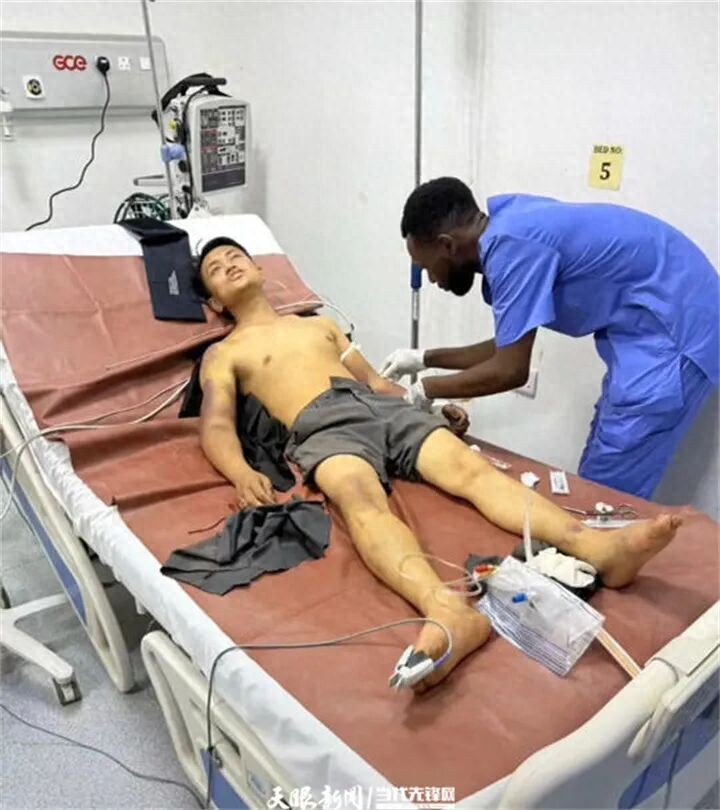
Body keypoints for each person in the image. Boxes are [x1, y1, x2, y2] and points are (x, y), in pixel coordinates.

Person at [194, 236, 680, 691]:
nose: (229, 264)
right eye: (215, 268)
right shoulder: (224, 352)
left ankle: (596, 547)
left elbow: (376, 383)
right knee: (359, 501)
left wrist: (429, 407)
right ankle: (446, 610)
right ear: (214, 302)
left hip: (377, 407)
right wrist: (241, 473)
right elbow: (215, 425)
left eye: (235, 256)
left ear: (261, 269)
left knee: (470, 470)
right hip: (321, 427)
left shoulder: (318, 325)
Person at [383, 178, 719, 499]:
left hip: (676, 333)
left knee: (607, 487)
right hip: (655, 325)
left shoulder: (513, 249)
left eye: (426, 266)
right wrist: (423, 359)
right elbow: (506, 347)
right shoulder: (509, 225)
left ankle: (600, 535)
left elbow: (510, 370)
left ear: (447, 244)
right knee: (601, 460)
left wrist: (426, 390)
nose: (431, 278)